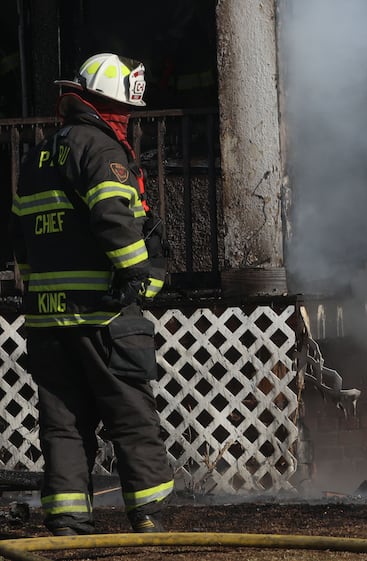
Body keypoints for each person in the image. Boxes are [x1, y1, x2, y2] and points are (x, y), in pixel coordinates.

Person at [10, 53, 173, 535]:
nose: (129, 120)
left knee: (63, 425)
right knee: (130, 417)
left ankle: (66, 522)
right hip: (102, 316)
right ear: (108, 104)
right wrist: (139, 275)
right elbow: (113, 217)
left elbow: (21, 237)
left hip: (47, 320)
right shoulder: (100, 148)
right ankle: (148, 516)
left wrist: (38, 286)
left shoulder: (37, 155)